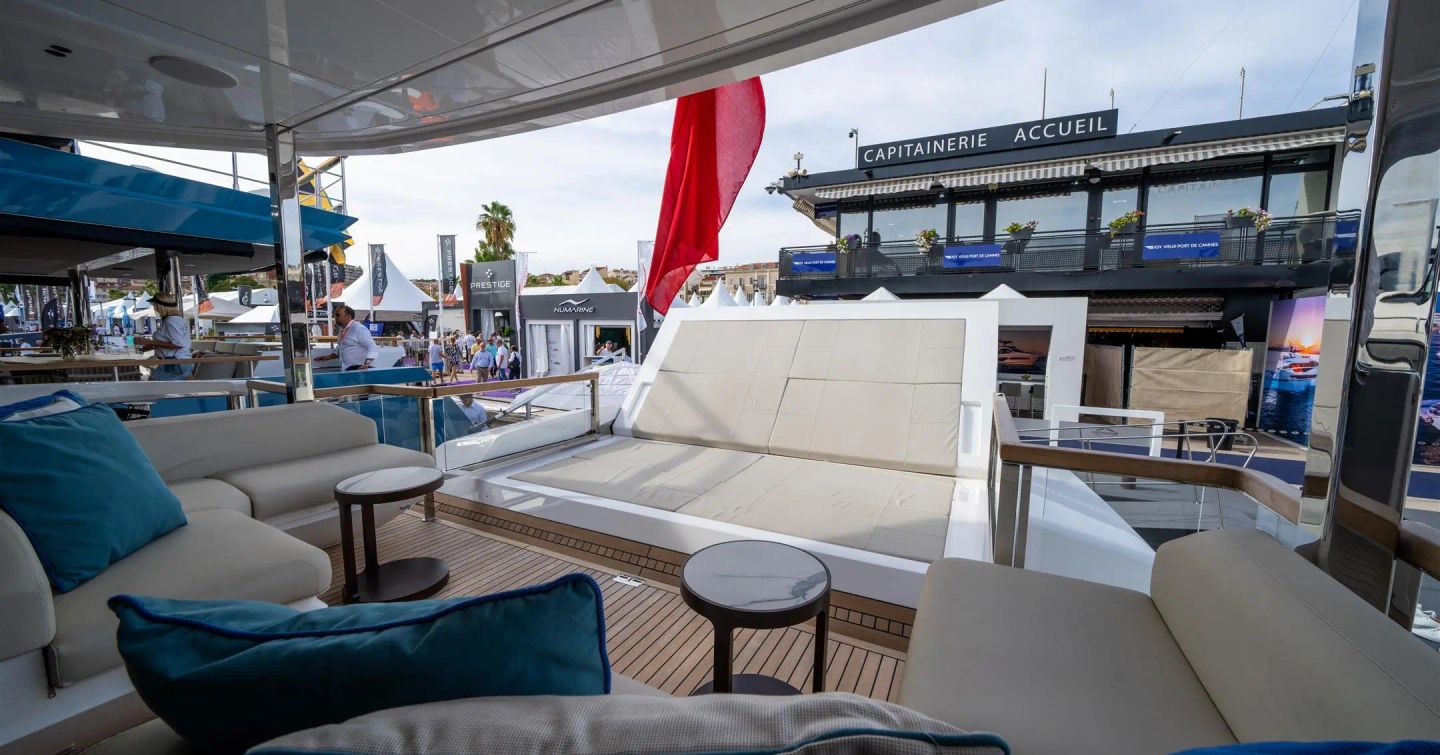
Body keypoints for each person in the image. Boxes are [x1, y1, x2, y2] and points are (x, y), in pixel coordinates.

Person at [135, 292, 192, 380]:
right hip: (179, 361)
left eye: (154, 304)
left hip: (174, 363)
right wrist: (153, 346)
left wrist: (147, 341)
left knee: (160, 389)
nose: (153, 306)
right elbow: (173, 342)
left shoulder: (171, 320)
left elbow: (179, 345)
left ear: (160, 305)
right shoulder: (176, 319)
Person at [316, 305, 377, 371]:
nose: (335, 317)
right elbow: (341, 347)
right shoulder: (342, 330)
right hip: (348, 370)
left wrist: (366, 364)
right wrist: (327, 357)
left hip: (359, 370)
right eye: (335, 315)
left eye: (338, 315)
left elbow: (372, 347)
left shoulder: (359, 329)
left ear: (348, 317)